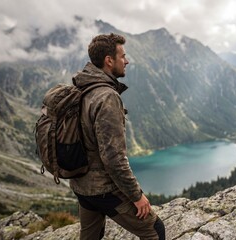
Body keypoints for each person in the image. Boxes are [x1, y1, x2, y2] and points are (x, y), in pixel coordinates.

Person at [70, 33, 165, 240]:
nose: (127, 61)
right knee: (154, 231)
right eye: (123, 56)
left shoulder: (81, 86)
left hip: (81, 186)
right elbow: (113, 159)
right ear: (109, 60)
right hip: (103, 188)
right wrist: (136, 196)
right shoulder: (107, 97)